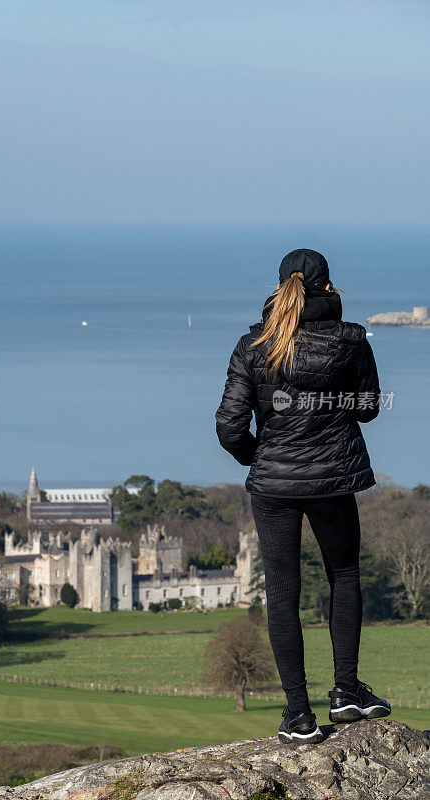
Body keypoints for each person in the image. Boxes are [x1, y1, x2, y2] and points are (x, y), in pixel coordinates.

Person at [215, 249, 391, 744]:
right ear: (328, 287)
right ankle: (347, 692)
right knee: (344, 574)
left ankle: (298, 715)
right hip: (333, 480)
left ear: (279, 287)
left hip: (273, 486)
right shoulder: (351, 339)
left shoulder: (254, 344)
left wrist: (261, 457)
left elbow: (230, 427)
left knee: (283, 594)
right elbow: (370, 408)